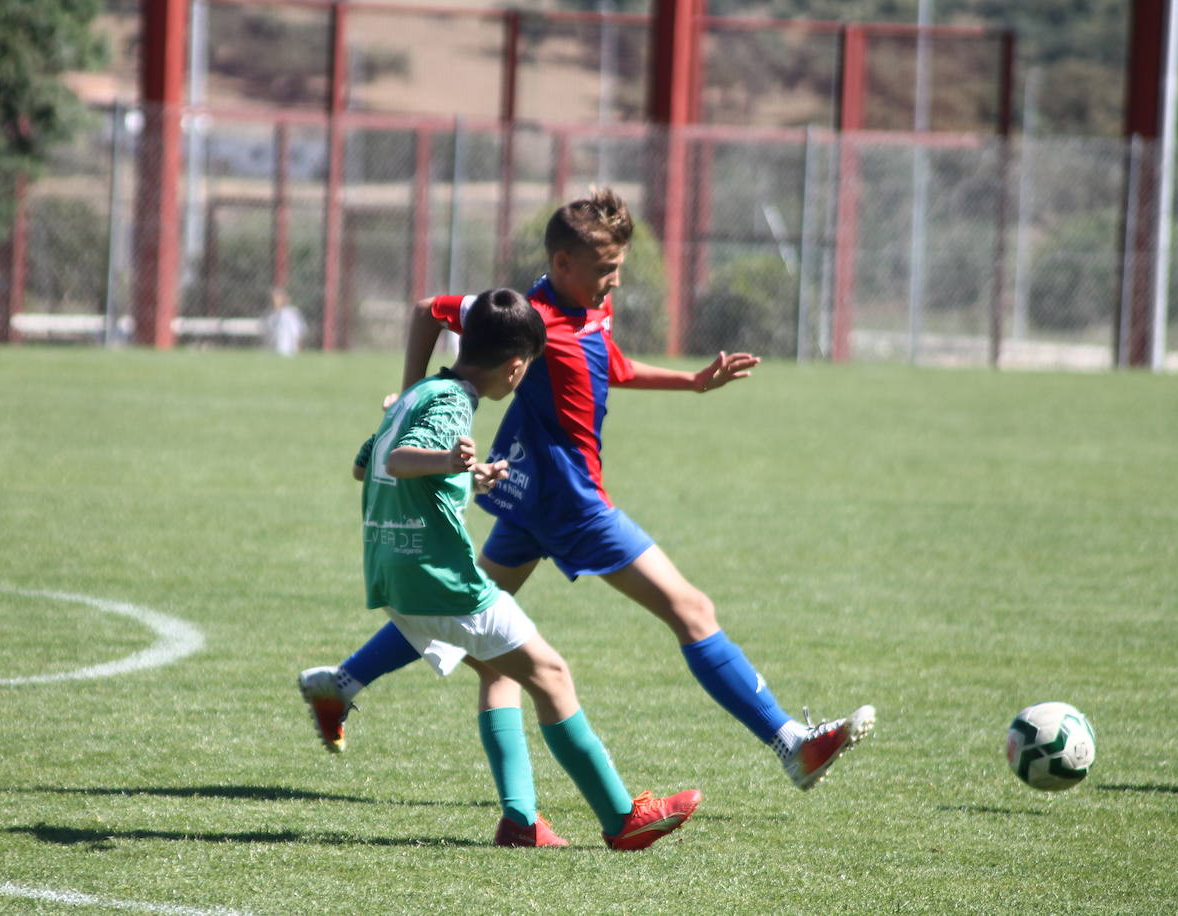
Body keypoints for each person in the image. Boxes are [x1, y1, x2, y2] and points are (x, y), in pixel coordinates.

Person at [300, 187, 874, 792]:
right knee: (692, 610)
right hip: (570, 500)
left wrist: (692, 383)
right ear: (561, 265)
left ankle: (342, 685)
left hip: (527, 495)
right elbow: (426, 311)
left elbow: (611, 365)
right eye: (605, 271)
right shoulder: (530, 317)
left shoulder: (592, 305)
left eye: (617, 270)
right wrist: (413, 395)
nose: (615, 284)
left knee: (465, 613)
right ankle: (790, 744)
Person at [333, 285, 700, 849]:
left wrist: (463, 475)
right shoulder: (455, 402)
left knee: (497, 671)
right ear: (516, 367)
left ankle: (520, 822)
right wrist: (445, 459)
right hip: (440, 579)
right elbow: (398, 460)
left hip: (397, 572)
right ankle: (623, 819)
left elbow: (365, 466)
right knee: (551, 675)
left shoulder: (423, 390)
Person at [264, 287, 305, 356]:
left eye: (278, 297)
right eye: (274, 298)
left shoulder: (291, 313)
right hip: (274, 352)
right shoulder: (271, 315)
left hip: (288, 352)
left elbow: (297, 333)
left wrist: (298, 351)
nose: (276, 300)